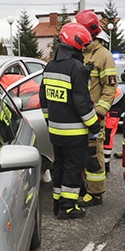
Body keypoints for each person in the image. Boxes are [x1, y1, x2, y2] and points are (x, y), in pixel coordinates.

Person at [39, 22, 101, 220]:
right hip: (74, 132)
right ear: (76, 46)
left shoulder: (49, 66)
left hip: (56, 131)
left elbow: (43, 99)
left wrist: (50, 122)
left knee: (60, 165)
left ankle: (58, 203)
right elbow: (82, 104)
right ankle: (68, 207)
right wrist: (94, 125)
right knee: (73, 167)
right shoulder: (78, 69)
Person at [74, 10, 118, 208]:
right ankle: (83, 187)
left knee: (93, 154)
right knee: (78, 153)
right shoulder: (76, 52)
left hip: (94, 115)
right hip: (76, 114)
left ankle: (96, 192)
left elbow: (110, 87)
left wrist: (100, 111)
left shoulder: (103, 56)